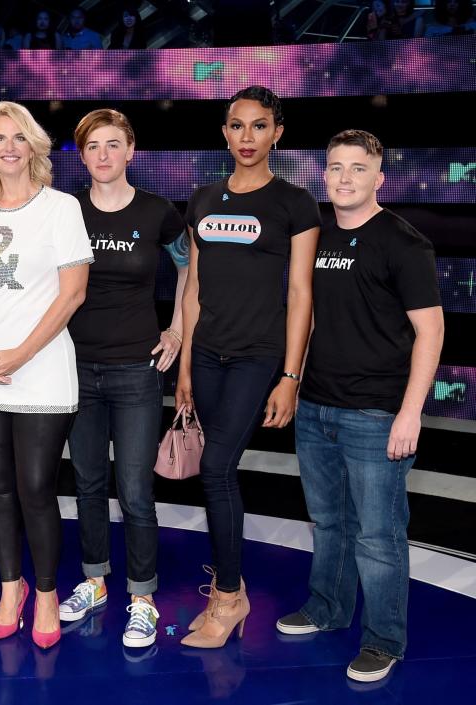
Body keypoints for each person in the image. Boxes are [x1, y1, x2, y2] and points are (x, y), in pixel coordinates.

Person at [276, 130, 443, 683]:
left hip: (376, 414)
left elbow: (430, 332)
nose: (344, 178)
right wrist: (296, 383)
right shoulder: (319, 239)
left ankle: (384, 640)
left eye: (357, 168)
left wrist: (410, 412)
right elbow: (316, 315)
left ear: (379, 178)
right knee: (329, 522)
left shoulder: (403, 242)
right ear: (324, 174)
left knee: (379, 535)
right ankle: (327, 609)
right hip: (318, 406)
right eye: (335, 167)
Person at [175, 86, 320, 648]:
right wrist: (185, 366)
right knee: (221, 474)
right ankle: (227, 588)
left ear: (277, 133)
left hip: (258, 357)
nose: (247, 138)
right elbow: (194, 291)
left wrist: (291, 375)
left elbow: (302, 294)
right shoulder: (204, 199)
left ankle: (230, 598)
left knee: (214, 470)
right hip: (207, 354)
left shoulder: (295, 203)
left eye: (259, 127)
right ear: (224, 132)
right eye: (237, 126)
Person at [0, 101, 93, 649]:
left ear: (33, 145)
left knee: (37, 488)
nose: (8, 146)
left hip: (40, 371)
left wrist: (19, 355)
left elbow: (73, 293)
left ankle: (44, 594)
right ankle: (9, 590)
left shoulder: (61, 209)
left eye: (17, 137)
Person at [59, 109, 189, 649]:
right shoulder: (65, 213)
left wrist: (179, 326)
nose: (104, 155)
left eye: (114, 144)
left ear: (131, 150)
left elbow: (191, 265)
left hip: (138, 369)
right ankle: (94, 581)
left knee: (135, 489)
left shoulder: (158, 212)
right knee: (88, 484)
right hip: (74, 369)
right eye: (93, 146)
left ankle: (142, 599)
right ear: (83, 155)